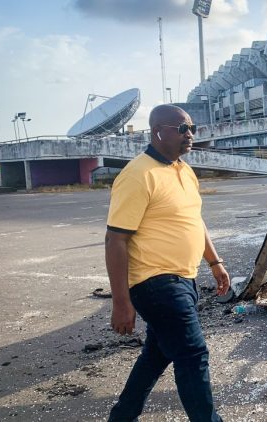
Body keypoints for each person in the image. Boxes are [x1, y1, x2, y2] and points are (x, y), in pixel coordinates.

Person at [105, 104, 230, 422]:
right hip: (155, 282)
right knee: (192, 354)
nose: (190, 134)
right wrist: (121, 302)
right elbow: (115, 240)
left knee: (156, 354)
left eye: (192, 128)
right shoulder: (137, 175)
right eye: (182, 128)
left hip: (184, 279)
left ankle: (122, 417)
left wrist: (215, 263)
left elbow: (194, 219)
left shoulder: (184, 171)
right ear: (158, 132)